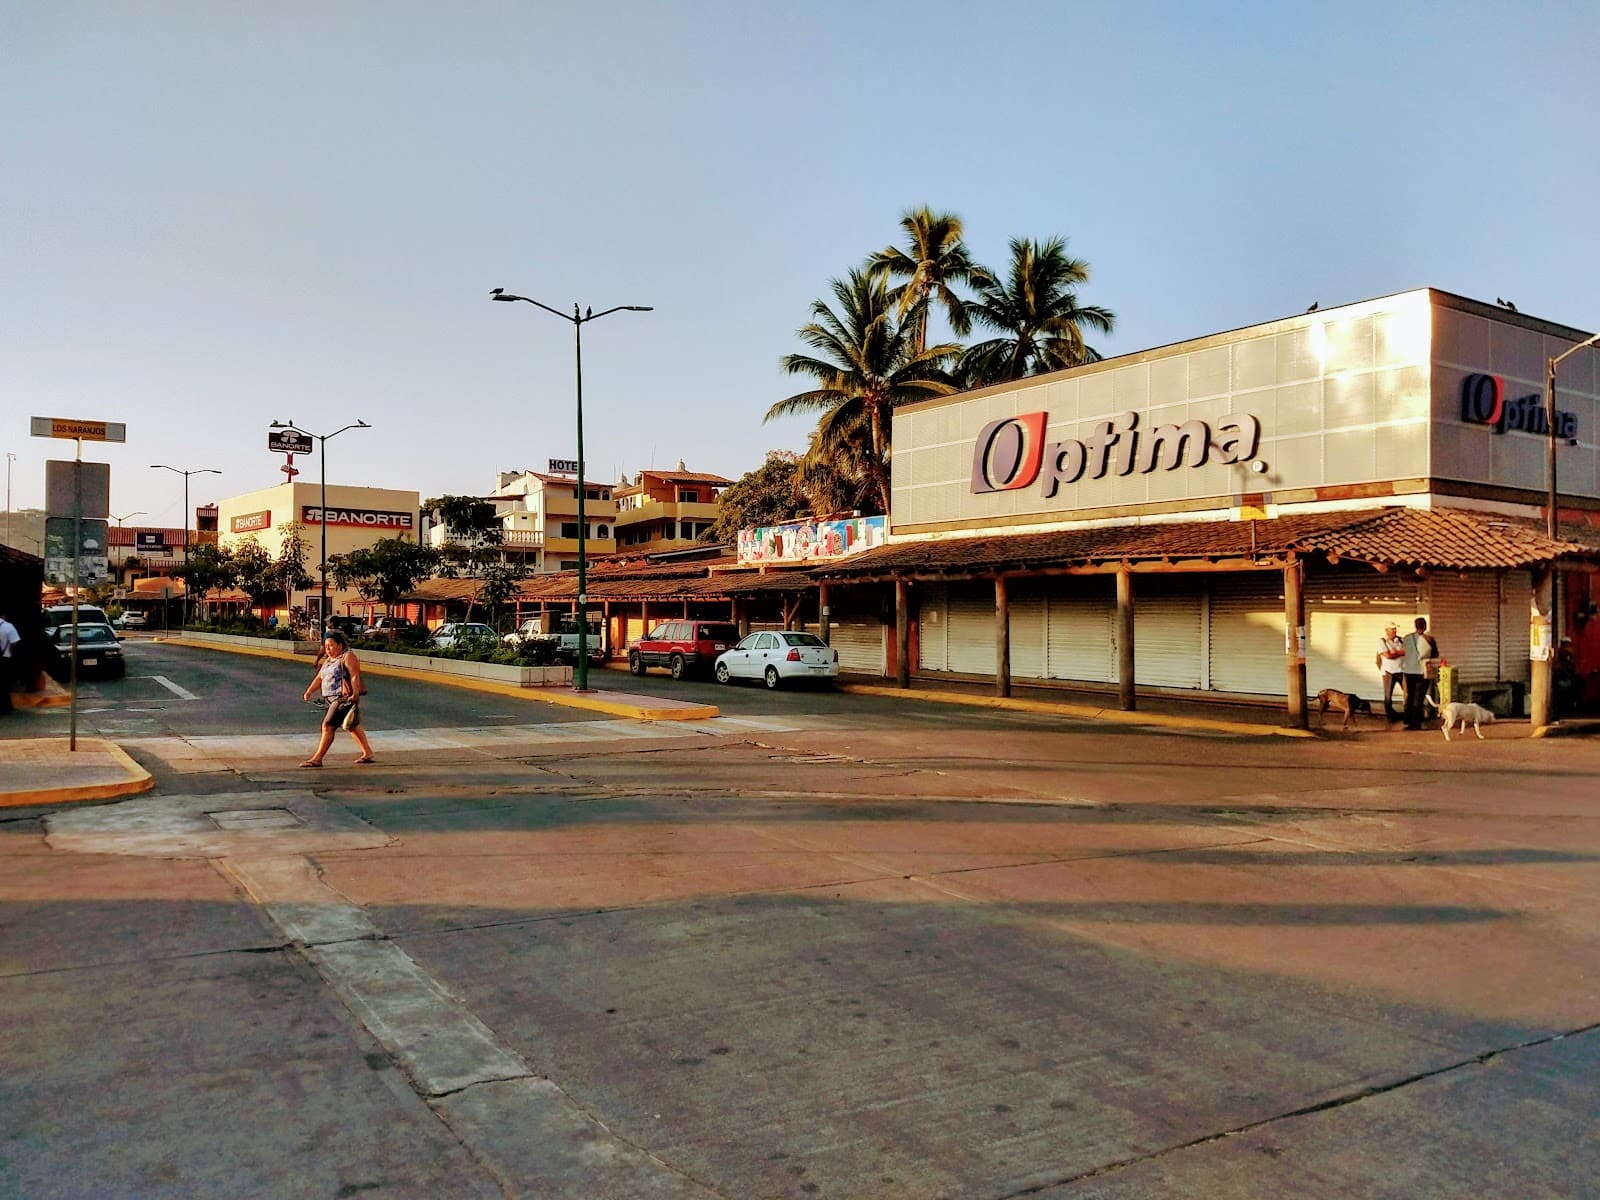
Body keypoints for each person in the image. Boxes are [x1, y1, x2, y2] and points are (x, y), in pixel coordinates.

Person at [300, 629, 374, 766]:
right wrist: (309, 691)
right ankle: (367, 752)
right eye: (326, 646)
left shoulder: (348, 657)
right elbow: (319, 678)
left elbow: (354, 676)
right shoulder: (329, 660)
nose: (328, 649)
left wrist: (355, 693)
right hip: (331, 698)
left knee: (328, 725)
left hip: (343, 698)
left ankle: (317, 758)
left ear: (340, 645)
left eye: (331, 645)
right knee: (352, 726)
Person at [1401, 617, 1438, 731]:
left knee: (1410, 695)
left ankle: (1407, 719)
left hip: (1408, 670)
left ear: (1415, 625)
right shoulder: (1429, 639)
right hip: (1422, 671)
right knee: (1419, 697)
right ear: (1425, 626)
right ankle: (1415, 723)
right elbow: (1435, 654)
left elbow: (1404, 652)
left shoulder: (1406, 638)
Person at [1378, 621, 1406, 722]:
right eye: (1392, 629)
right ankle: (1390, 715)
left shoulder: (1401, 640)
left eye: (1395, 629)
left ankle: (1408, 713)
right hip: (1388, 671)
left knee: (1407, 693)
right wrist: (1400, 653)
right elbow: (1388, 655)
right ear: (1387, 630)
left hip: (1401, 670)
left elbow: (1406, 652)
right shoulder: (1383, 641)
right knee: (1388, 695)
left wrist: (1396, 652)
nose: (1394, 631)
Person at [0, 608, 19, 716]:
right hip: (4, 659)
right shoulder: (8, 626)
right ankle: (5, 707)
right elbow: (14, 642)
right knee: (4, 684)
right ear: (3, 616)